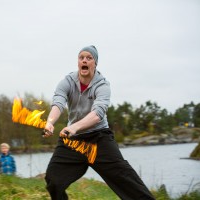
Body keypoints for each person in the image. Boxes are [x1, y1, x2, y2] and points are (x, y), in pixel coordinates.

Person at [43, 45, 155, 200]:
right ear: (78, 62)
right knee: (53, 180)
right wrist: (50, 122)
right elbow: (58, 102)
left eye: (89, 58)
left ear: (95, 63)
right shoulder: (67, 81)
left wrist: (74, 127)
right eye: (81, 57)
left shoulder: (102, 85)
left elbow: (97, 114)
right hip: (73, 141)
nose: (84, 60)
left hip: (99, 139)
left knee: (125, 178)